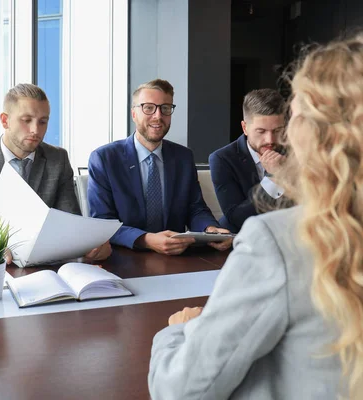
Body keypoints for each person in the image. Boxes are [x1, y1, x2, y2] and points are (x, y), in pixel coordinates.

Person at [148, 34, 363, 399]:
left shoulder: (278, 241)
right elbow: (233, 213)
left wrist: (181, 331)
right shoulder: (222, 158)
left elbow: (181, 390)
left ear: (303, 131)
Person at [0, 83, 111, 262]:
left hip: (47, 264)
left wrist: (92, 245)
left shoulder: (57, 159)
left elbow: (70, 222)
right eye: (26, 120)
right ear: (5, 120)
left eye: (43, 121)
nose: (36, 130)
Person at [87, 79, 232, 256]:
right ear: (134, 114)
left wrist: (210, 230)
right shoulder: (104, 159)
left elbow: (196, 209)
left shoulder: (183, 157)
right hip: (122, 257)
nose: (158, 116)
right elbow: (102, 223)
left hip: (176, 258)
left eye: (165, 108)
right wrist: (146, 239)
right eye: (148, 107)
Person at [209, 88, 287, 232]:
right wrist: (275, 178)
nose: (270, 140)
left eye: (277, 131)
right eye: (261, 131)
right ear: (245, 127)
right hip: (240, 242)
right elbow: (237, 217)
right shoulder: (222, 159)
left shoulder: (296, 154)